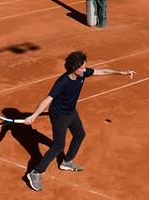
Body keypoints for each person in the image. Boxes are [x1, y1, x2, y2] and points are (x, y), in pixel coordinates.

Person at [23, 51, 134, 191]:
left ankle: (66, 162)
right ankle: (35, 172)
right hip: (58, 116)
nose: (85, 70)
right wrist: (33, 116)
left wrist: (122, 72)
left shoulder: (82, 73)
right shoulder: (62, 82)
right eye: (82, 68)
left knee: (80, 134)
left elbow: (102, 71)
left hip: (71, 111)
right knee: (58, 146)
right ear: (74, 68)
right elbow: (48, 100)